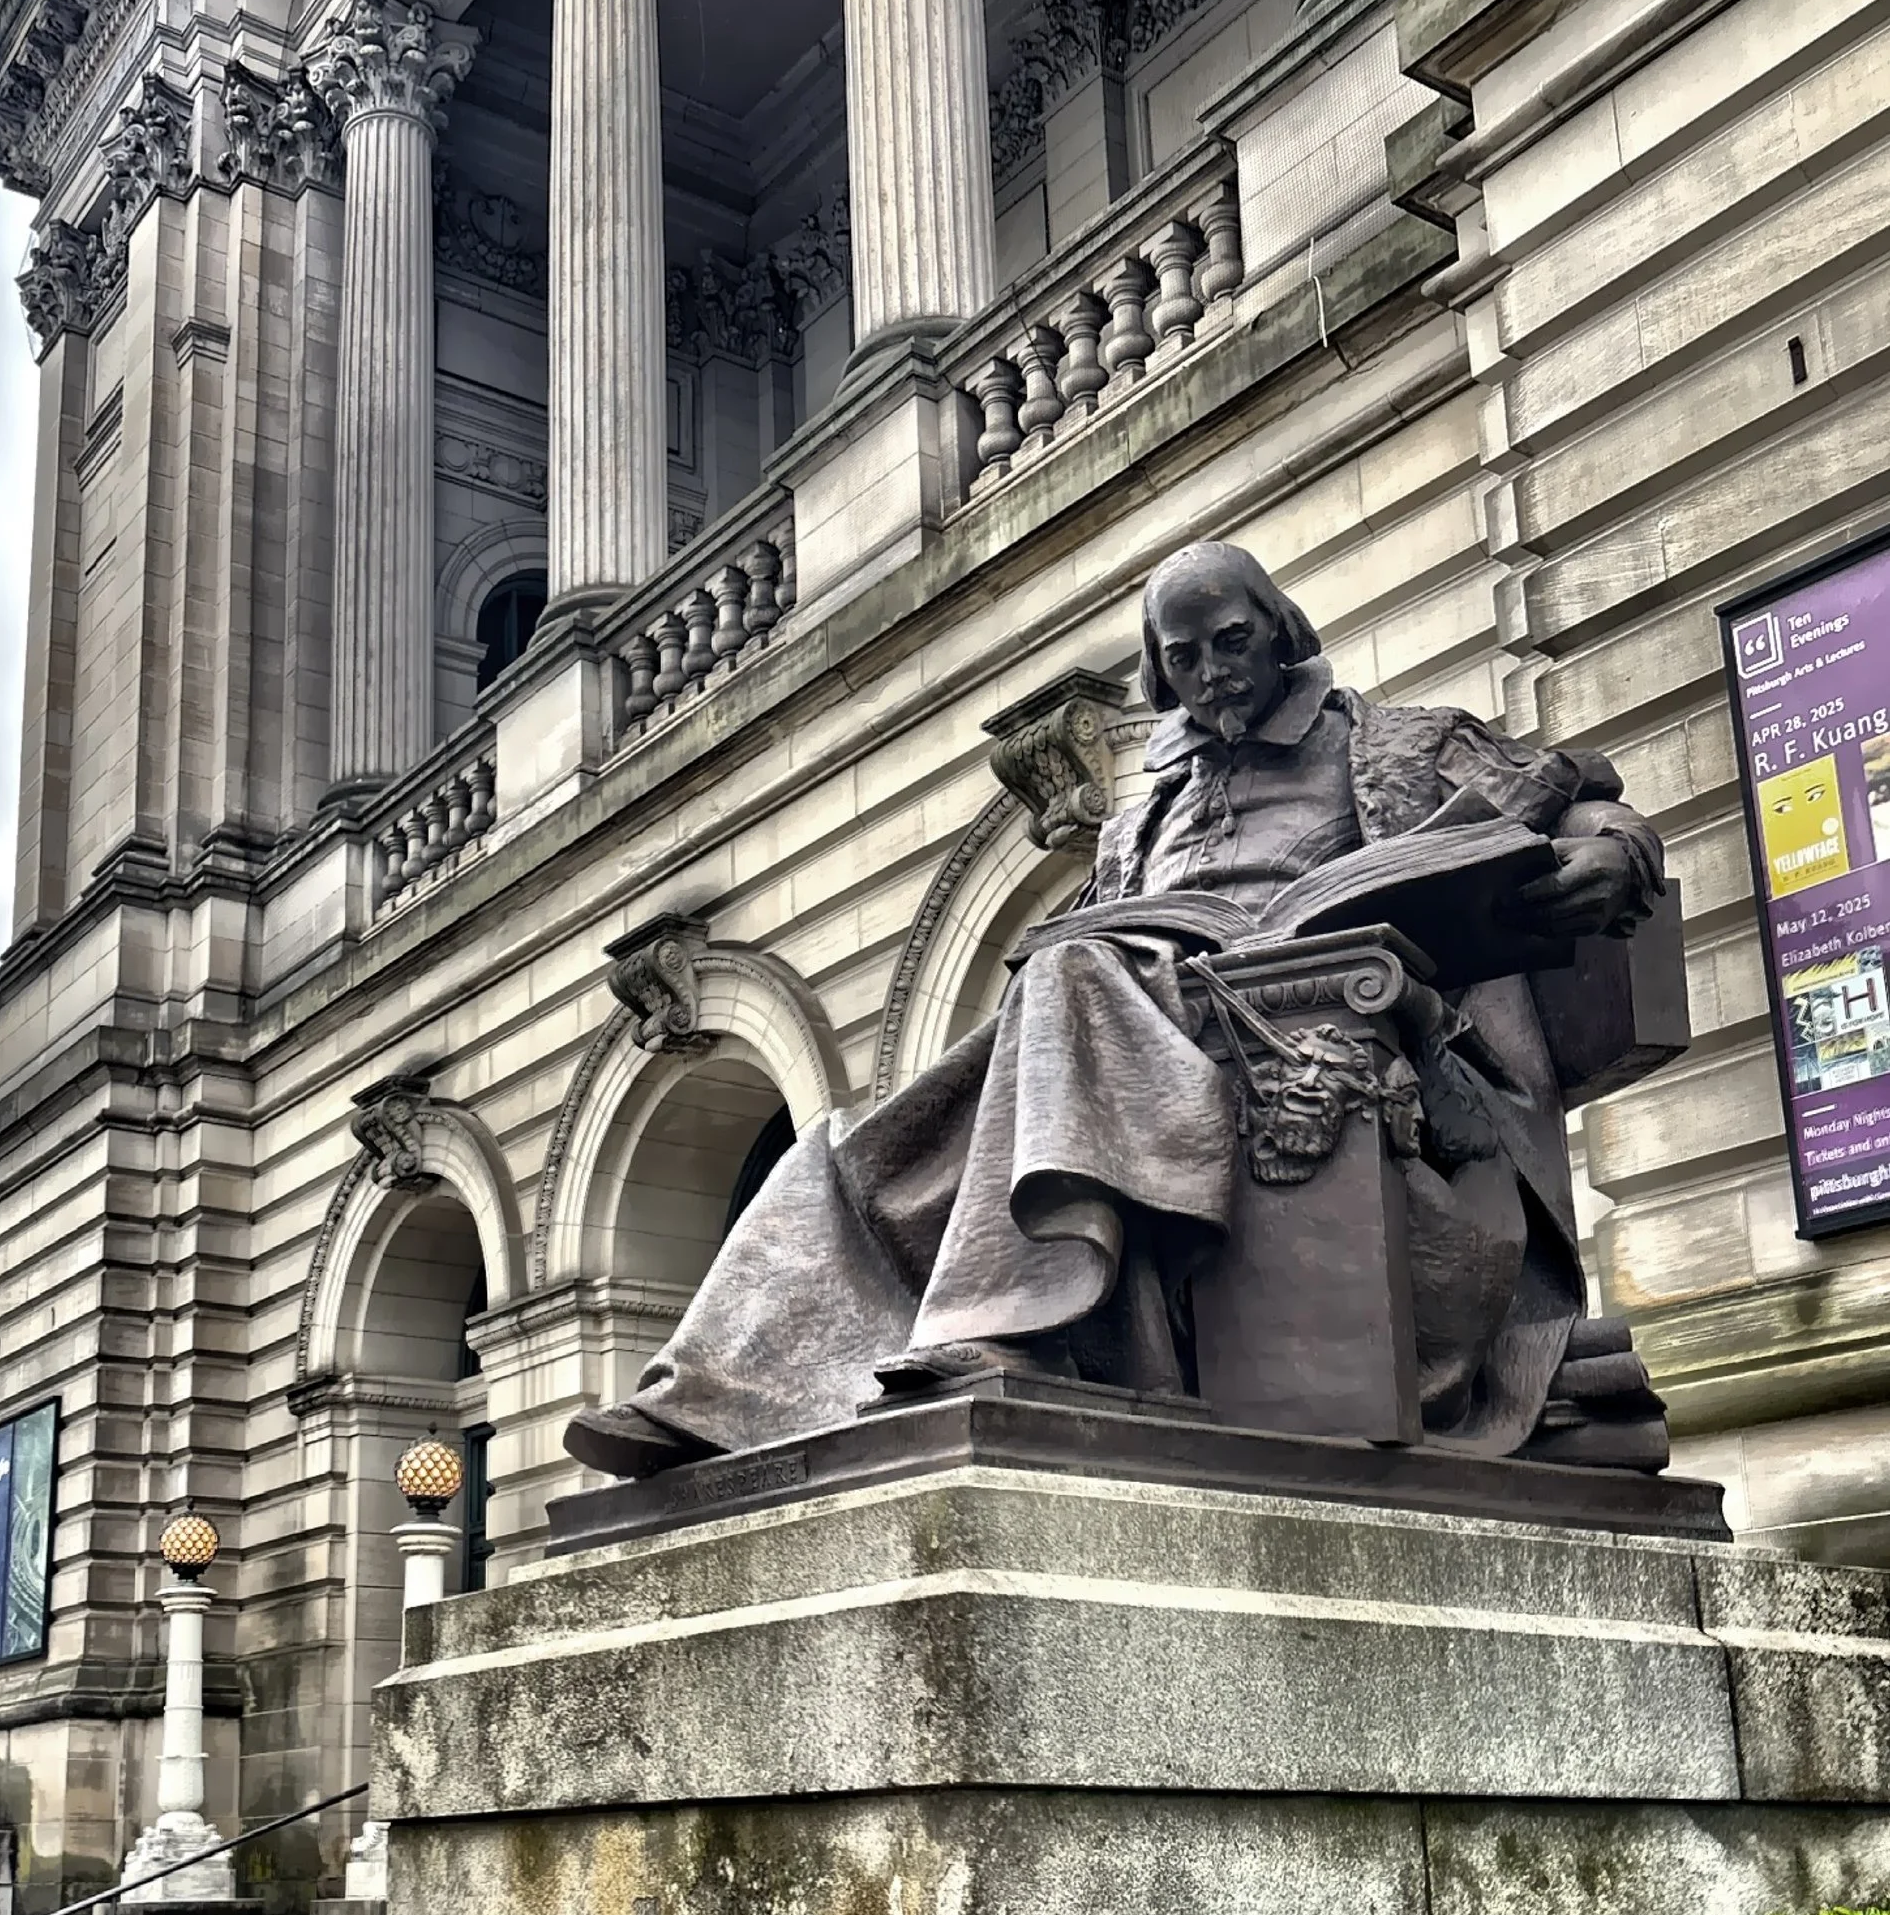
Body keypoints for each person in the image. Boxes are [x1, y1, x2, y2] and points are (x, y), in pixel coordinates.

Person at [565, 541, 1666, 1479]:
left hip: (1324, 1029)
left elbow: (1582, 790)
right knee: (864, 1143)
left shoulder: (1399, 743)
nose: (1211, 674)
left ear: (1280, 632)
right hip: (1150, 1025)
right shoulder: (1144, 816)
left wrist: (1615, 851)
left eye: (1229, 641)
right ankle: (720, 1388)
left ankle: (1010, 1330)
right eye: (1181, 658)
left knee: (1078, 978)